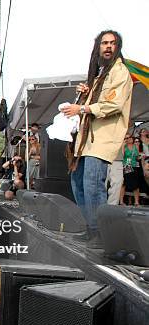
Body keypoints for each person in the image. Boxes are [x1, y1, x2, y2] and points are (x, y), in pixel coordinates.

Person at [61, 30, 133, 247]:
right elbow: (97, 99)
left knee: (93, 184)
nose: (108, 47)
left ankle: (102, 234)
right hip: (87, 138)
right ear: (98, 47)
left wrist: (81, 107)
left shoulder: (119, 72)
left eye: (112, 43)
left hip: (103, 138)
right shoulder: (101, 73)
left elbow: (112, 105)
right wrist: (85, 92)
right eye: (104, 43)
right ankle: (91, 228)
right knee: (77, 182)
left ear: (118, 46)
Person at [121, 134, 140, 206]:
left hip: (134, 165)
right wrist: (123, 145)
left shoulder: (136, 146)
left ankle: (136, 202)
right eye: (127, 138)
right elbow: (122, 155)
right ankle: (121, 201)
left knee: (136, 184)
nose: (130, 138)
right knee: (124, 183)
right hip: (126, 166)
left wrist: (140, 156)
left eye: (131, 137)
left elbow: (137, 157)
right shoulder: (124, 147)